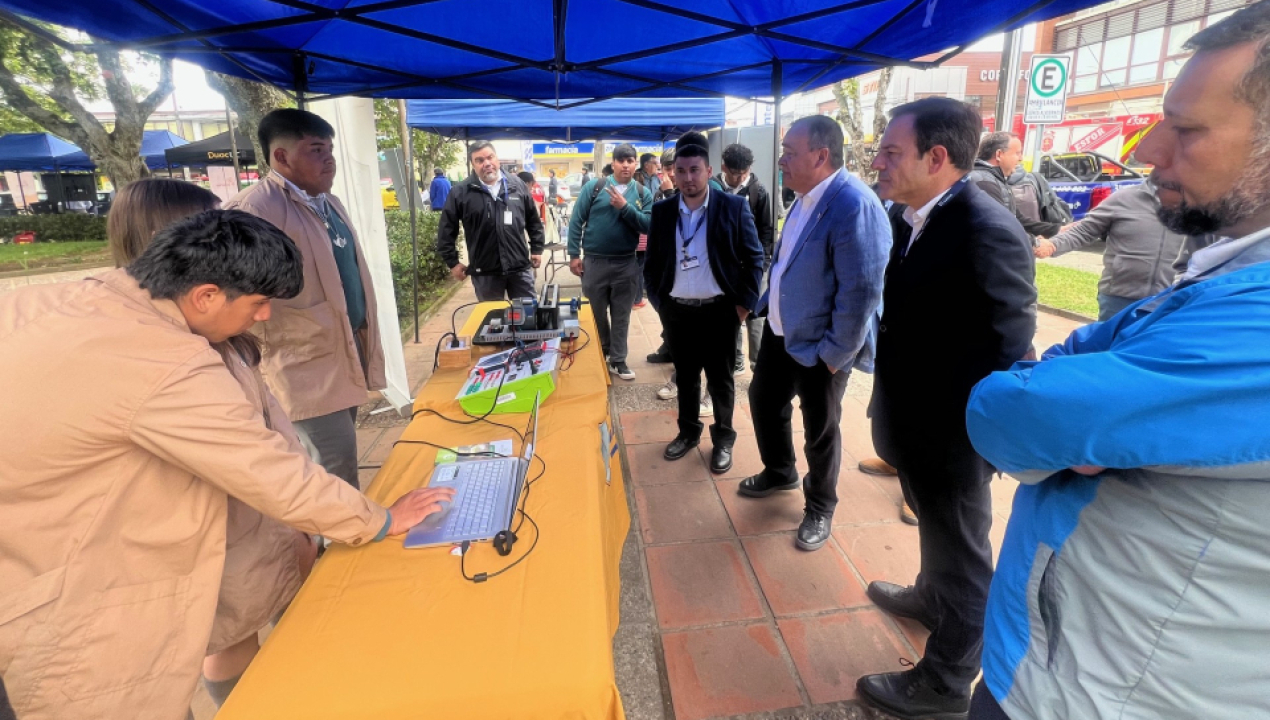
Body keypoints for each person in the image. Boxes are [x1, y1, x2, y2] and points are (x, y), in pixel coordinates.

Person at [0, 209, 453, 720]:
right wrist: (381, 519)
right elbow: (267, 471)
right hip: (69, 608)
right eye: (258, 303)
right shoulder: (165, 359)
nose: (264, 316)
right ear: (206, 296)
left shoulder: (58, 301)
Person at [965, 6, 1270, 719]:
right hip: (1086, 663)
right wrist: (1084, 398)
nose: (1150, 150)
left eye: (1186, 129)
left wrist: (1068, 398)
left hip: (1103, 692)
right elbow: (1067, 379)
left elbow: (1012, 412)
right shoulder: (1228, 273)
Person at [107, 178, 319, 710]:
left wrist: (300, 516)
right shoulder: (154, 355)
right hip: (219, 535)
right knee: (231, 637)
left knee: (287, 621)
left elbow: (268, 431)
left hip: (267, 516)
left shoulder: (216, 332)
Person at [859, 97, 1037, 719]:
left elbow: (1009, 347)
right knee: (938, 536)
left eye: (890, 152)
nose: (877, 162)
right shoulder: (910, 217)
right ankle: (931, 598)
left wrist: (975, 435)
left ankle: (946, 680)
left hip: (954, 436)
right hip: (913, 423)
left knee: (963, 557)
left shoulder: (985, 228)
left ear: (936, 157)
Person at [739, 115, 891, 552]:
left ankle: (820, 505)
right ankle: (780, 470)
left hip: (823, 345)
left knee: (820, 428)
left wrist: (836, 353)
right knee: (764, 400)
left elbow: (861, 291)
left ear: (821, 155)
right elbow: (789, 260)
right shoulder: (805, 196)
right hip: (782, 331)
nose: (781, 160)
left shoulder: (853, 204)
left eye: (790, 152)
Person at [224, 108, 385, 490]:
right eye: (316, 150)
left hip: (343, 348)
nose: (329, 160)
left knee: (340, 455)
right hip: (301, 364)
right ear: (281, 157)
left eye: (330, 150)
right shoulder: (254, 210)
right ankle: (341, 528)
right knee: (331, 467)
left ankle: (342, 522)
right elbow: (238, 297)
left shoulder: (328, 202)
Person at [644, 133, 764, 474]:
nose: (688, 178)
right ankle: (688, 432)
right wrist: (660, 304)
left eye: (695, 170)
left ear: (709, 171)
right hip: (677, 311)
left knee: (721, 380)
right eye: (681, 171)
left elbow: (755, 259)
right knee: (686, 377)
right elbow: (652, 263)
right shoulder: (663, 211)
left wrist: (743, 307)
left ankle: (723, 439)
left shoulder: (733, 207)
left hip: (721, 311)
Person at [1035, 180, 1187, 320]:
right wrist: (1052, 245)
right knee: (1111, 340)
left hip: (1173, 301)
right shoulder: (1124, 198)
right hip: (1118, 299)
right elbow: (1085, 230)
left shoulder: (1196, 205)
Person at [567, 143, 654, 381]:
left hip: (626, 263)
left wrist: (625, 208)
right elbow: (576, 221)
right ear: (613, 163)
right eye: (621, 160)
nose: (625, 165)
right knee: (595, 313)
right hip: (594, 262)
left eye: (630, 161)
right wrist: (574, 254)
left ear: (635, 164)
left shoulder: (642, 193)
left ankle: (618, 360)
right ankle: (601, 350)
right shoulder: (595, 187)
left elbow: (648, 225)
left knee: (621, 315)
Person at [436, 142, 545, 302]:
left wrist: (537, 248)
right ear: (473, 164)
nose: (487, 163)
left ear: (497, 159)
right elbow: (446, 230)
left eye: (490, 157)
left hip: (519, 268)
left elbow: (533, 220)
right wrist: (452, 262)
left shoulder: (517, 185)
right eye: (479, 160)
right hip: (485, 272)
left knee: (528, 314)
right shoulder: (460, 192)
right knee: (492, 316)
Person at [718, 142, 776, 373]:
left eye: (743, 173)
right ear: (724, 167)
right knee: (731, 314)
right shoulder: (714, 188)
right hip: (726, 266)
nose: (739, 178)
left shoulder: (758, 191)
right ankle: (737, 358)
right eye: (734, 173)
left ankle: (758, 363)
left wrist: (763, 263)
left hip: (754, 264)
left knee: (755, 314)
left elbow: (767, 230)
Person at [969, 132, 1063, 238]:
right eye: (1017, 153)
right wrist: (1034, 242)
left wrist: (1056, 230)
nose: (1021, 158)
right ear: (999, 154)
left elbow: (1018, 220)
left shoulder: (994, 180)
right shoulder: (985, 183)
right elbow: (1000, 227)